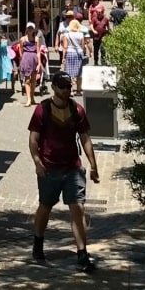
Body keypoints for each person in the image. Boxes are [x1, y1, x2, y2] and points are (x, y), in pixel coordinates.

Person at [28, 71, 100, 272]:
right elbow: (33, 139)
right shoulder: (42, 110)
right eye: (62, 86)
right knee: (45, 206)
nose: (67, 90)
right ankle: (38, 243)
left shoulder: (77, 110)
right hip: (49, 168)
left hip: (72, 168)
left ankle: (82, 254)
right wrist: (37, 162)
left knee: (78, 209)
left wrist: (93, 165)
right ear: (54, 87)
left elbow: (85, 138)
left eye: (69, 86)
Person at [60, 19, 89, 95]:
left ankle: (71, 90)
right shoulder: (81, 35)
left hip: (70, 53)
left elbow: (65, 47)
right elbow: (83, 46)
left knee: (69, 73)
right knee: (79, 73)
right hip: (79, 53)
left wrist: (63, 57)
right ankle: (79, 90)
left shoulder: (67, 35)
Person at [18, 23, 45, 107]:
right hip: (26, 58)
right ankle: (28, 98)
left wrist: (39, 63)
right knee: (27, 79)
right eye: (28, 28)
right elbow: (21, 50)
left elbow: (38, 52)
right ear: (26, 29)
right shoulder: (22, 39)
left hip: (34, 58)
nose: (30, 30)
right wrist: (22, 60)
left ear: (34, 29)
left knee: (33, 79)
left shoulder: (36, 39)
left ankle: (32, 96)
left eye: (31, 28)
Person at [87, 0, 110, 65]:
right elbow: (89, 14)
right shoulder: (94, 17)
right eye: (98, 12)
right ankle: (96, 61)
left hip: (103, 36)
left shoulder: (105, 19)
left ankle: (103, 61)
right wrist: (93, 30)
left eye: (100, 12)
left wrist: (108, 31)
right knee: (96, 49)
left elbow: (108, 26)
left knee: (103, 49)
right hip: (96, 36)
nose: (99, 13)